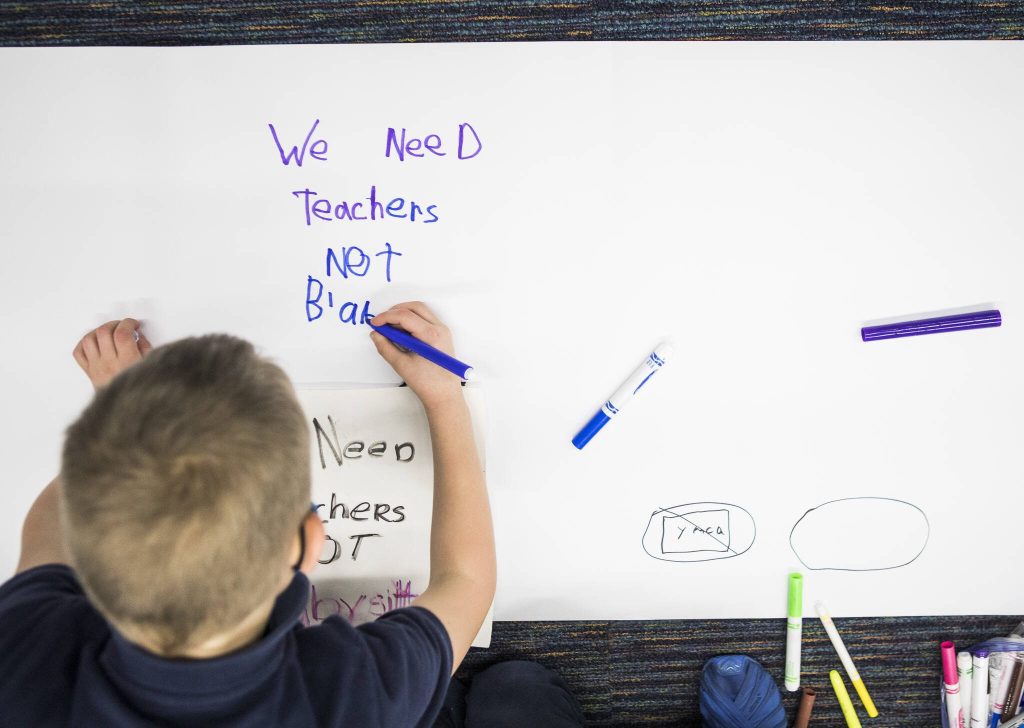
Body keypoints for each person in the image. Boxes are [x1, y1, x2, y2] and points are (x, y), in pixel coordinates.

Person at [0, 302, 497, 726]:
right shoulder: (354, 695)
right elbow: (467, 580)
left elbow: (48, 531)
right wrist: (443, 397)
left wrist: (128, 417)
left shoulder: (23, 656)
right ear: (307, 542)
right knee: (515, 690)